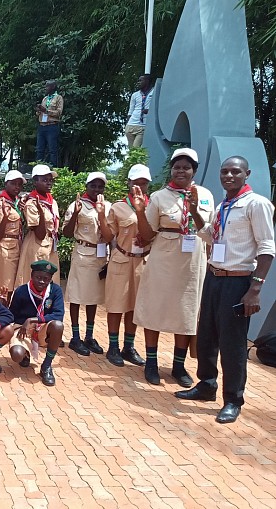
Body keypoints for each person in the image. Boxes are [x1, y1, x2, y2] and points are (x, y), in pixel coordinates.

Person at [176, 157, 274, 424]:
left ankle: (233, 400)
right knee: (207, 335)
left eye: (235, 171)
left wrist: (255, 289)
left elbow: (267, 249)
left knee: (232, 344)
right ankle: (206, 385)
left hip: (238, 281)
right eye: (224, 171)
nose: (228, 175)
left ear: (247, 174)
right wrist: (195, 211)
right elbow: (209, 235)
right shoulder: (224, 206)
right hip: (214, 276)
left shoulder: (257, 204)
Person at [133, 148, 214, 387]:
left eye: (186, 167)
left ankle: (179, 366)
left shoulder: (207, 195)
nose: (181, 171)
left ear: (194, 171)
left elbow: (210, 232)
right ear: (171, 169)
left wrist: (195, 207)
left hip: (192, 261)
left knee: (186, 311)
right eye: (177, 166)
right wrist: (139, 211)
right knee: (156, 309)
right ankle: (151, 362)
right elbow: (146, 235)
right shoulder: (159, 197)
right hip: (164, 259)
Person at [97, 164, 151, 367]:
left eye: (144, 183)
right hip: (121, 258)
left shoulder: (152, 205)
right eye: (136, 182)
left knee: (134, 306)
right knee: (116, 305)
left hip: (142, 261)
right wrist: (101, 216)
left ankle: (129, 346)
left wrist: (142, 211)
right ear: (128, 183)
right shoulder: (118, 207)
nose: (140, 186)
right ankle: (113, 346)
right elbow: (109, 235)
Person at [62, 172, 111, 357]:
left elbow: (110, 234)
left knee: (94, 298)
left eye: (100, 186)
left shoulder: (107, 206)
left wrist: (101, 214)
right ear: (86, 186)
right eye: (93, 185)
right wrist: (75, 212)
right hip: (83, 253)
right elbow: (66, 232)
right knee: (77, 296)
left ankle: (89, 336)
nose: (97, 189)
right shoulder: (77, 205)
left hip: (100, 254)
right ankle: (75, 337)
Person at [4, 260, 64, 386]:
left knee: (58, 326)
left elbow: (59, 314)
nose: (42, 281)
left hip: (42, 328)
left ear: (51, 279)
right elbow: (11, 315)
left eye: (46, 279)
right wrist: (2, 305)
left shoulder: (55, 291)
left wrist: (32, 320)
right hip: (22, 329)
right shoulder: (21, 291)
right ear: (31, 275)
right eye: (38, 277)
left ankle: (46, 366)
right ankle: (25, 354)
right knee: (16, 355)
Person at [15, 164, 60, 287]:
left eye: (50, 180)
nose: (49, 183)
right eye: (44, 180)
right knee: (36, 282)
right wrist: (40, 212)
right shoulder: (31, 203)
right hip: (37, 246)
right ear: (35, 182)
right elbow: (39, 235)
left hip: (50, 245)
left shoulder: (52, 201)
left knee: (49, 283)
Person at [0, 170, 25, 294]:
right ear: (6, 184)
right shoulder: (0, 204)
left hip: (17, 245)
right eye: (14, 183)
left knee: (13, 286)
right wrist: (5, 217)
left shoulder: (17, 203)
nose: (17, 187)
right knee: (6, 286)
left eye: (19, 184)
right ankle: (3, 312)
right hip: (6, 246)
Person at [35, 80, 63, 167]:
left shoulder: (58, 98)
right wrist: (38, 110)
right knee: (40, 149)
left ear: (53, 87)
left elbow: (59, 113)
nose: (46, 88)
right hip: (42, 126)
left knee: (52, 149)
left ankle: (53, 169)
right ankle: (38, 167)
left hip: (52, 126)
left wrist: (46, 111)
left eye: (47, 86)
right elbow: (40, 113)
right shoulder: (45, 98)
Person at [125, 74, 153, 149]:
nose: (138, 82)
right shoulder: (135, 95)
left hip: (142, 126)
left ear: (147, 81)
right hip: (131, 125)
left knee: (136, 149)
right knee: (132, 151)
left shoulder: (154, 93)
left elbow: (157, 107)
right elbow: (130, 111)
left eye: (141, 80)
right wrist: (127, 124)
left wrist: (150, 111)